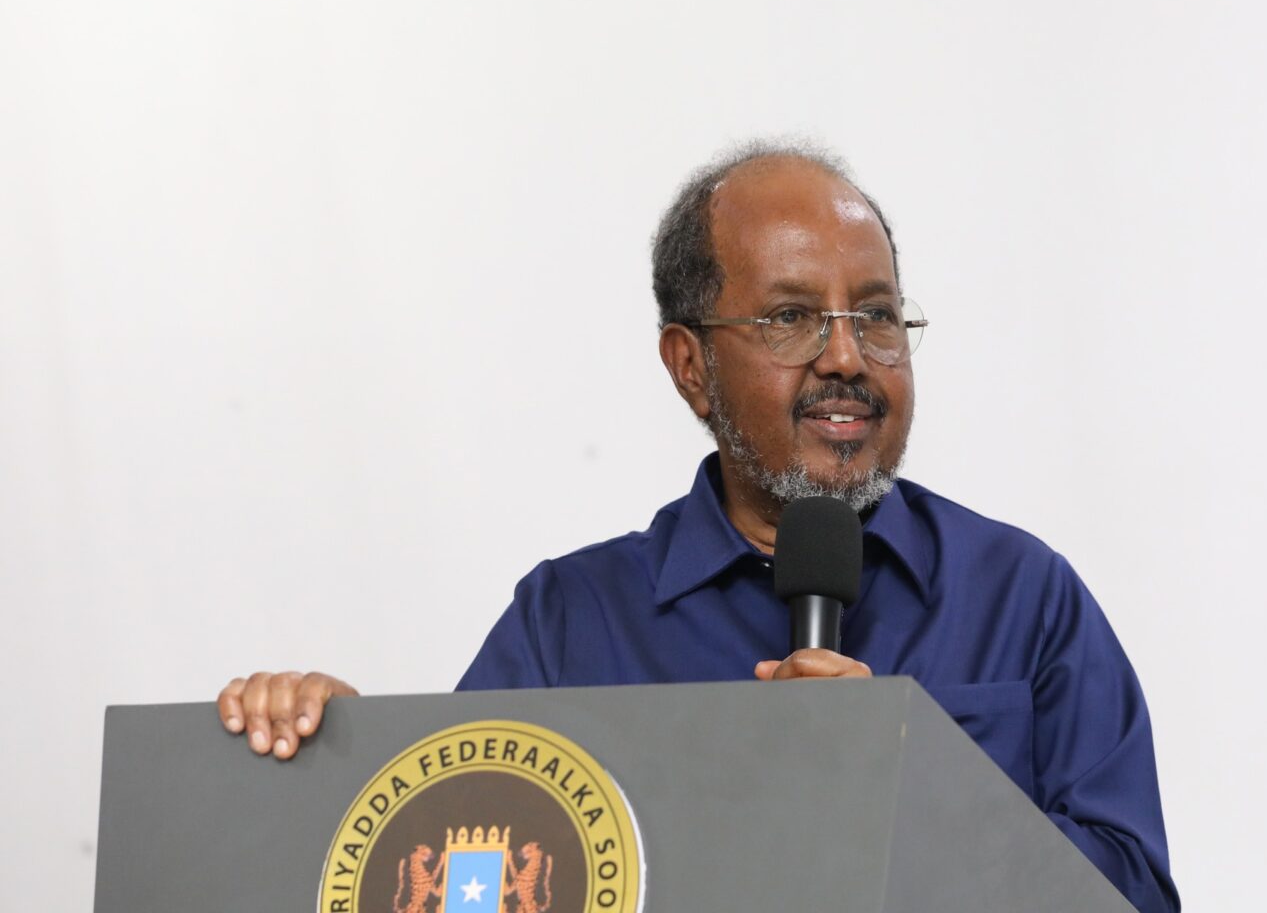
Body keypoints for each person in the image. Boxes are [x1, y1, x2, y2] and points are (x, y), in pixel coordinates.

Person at [217, 142, 1180, 913]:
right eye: (792, 318)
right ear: (690, 368)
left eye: (877, 317)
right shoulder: (571, 621)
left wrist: (909, 784)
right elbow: (472, 861)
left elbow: (1133, 896)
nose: (848, 357)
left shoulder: (1023, 596)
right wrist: (354, 772)